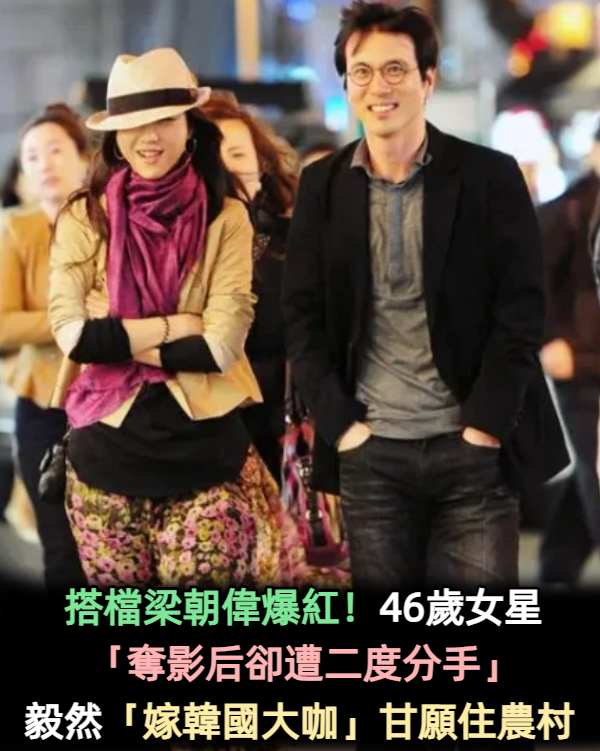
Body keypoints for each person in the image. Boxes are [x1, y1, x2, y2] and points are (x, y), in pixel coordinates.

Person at [282, 1, 569, 590]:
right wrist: (342, 427)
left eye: (395, 69)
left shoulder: (489, 177)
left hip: (471, 451)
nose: (378, 86)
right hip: (372, 454)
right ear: (346, 84)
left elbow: (521, 310)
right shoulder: (321, 186)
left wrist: (485, 426)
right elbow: (302, 317)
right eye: (362, 72)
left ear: (427, 79)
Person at [47, 48, 307, 589]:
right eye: (133, 123)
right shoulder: (85, 215)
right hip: (104, 459)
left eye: (164, 119)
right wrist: (178, 325)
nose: (149, 136)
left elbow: (219, 347)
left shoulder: (226, 217)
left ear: (190, 126)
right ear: (114, 136)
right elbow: (74, 337)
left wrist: (117, 330)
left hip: (206, 456)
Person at [0, 103, 89, 585]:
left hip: (113, 406)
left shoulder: (110, 223)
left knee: (119, 554)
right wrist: (76, 321)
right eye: (31, 156)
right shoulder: (17, 228)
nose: (44, 164)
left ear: (83, 156)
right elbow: (3, 325)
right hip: (44, 403)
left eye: (55, 150)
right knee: (62, 548)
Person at [201, 91, 298, 486]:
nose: (226, 167)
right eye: (213, 156)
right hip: (205, 433)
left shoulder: (294, 240)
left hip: (277, 428)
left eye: (238, 154)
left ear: (262, 165)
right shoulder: (176, 245)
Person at [538, 126, 600, 585]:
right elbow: (526, 285)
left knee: (589, 474)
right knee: (595, 475)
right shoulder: (568, 211)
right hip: (581, 369)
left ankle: (558, 564)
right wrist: (549, 342)